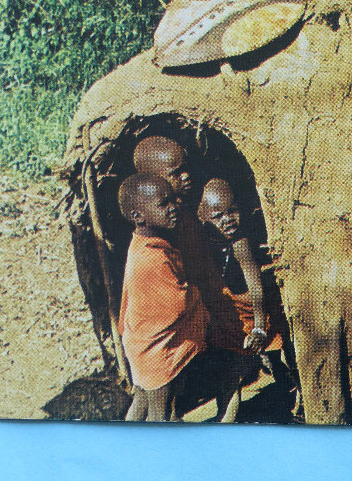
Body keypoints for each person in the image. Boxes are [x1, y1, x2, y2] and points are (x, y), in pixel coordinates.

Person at [132, 136, 251, 422]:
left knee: (220, 371)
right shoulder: (154, 235)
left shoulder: (182, 215)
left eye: (186, 168)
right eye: (176, 172)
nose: (186, 177)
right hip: (169, 329)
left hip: (201, 314)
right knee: (155, 396)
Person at [197, 178, 299, 407]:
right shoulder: (204, 240)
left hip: (257, 305)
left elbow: (255, 285)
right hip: (231, 309)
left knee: (276, 347)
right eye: (217, 216)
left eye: (232, 211)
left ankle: (292, 389)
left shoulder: (240, 243)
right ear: (203, 218)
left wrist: (260, 327)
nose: (228, 220)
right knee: (233, 365)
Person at [117, 173, 209, 421]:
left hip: (139, 343)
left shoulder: (143, 244)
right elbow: (174, 305)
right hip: (156, 350)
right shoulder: (152, 259)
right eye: (163, 204)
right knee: (162, 412)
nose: (173, 208)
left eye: (173, 200)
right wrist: (197, 293)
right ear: (138, 216)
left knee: (142, 400)